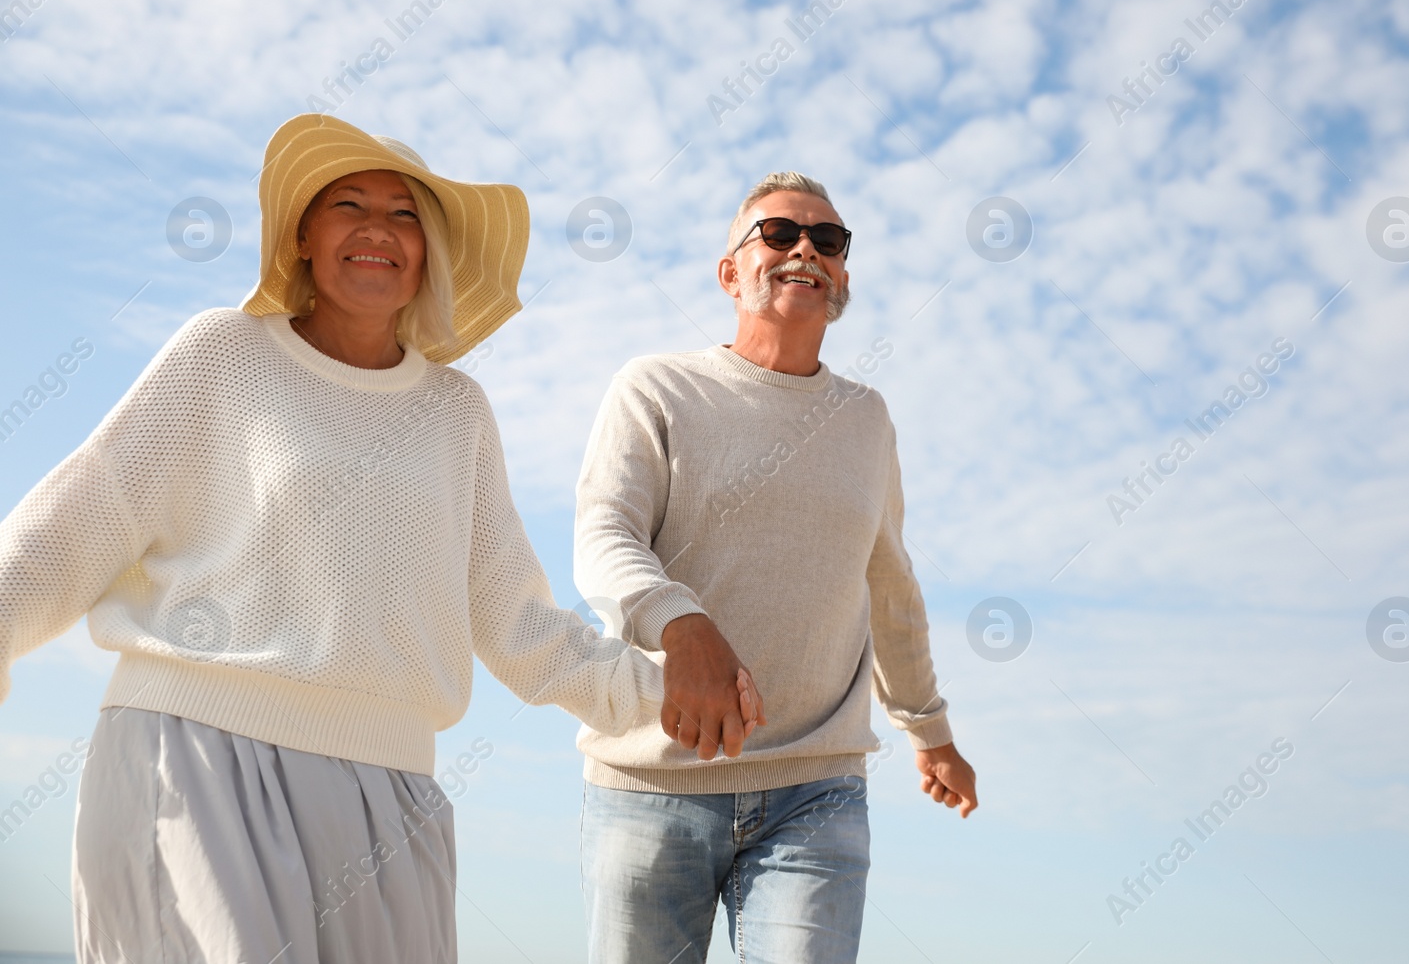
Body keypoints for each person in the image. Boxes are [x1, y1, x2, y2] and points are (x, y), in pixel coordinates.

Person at [0, 114, 755, 964]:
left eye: (403, 215)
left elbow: (519, 624)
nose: (376, 229)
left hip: (388, 797)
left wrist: (665, 693)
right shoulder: (221, 355)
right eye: (347, 204)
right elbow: (80, 518)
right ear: (303, 237)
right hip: (196, 759)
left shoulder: (456, 413)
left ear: (426, 252)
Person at [572, 171, 978, 964]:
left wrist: (929, 731)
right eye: (779, 233)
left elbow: (890, 585)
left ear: (843, 275)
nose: (805, 250)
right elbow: (602, 534)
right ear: (730, 271)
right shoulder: (654, 387)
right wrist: (683, 625)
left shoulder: (867, 419)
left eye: (827, 240)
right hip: (648, 783)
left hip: (816, 789)